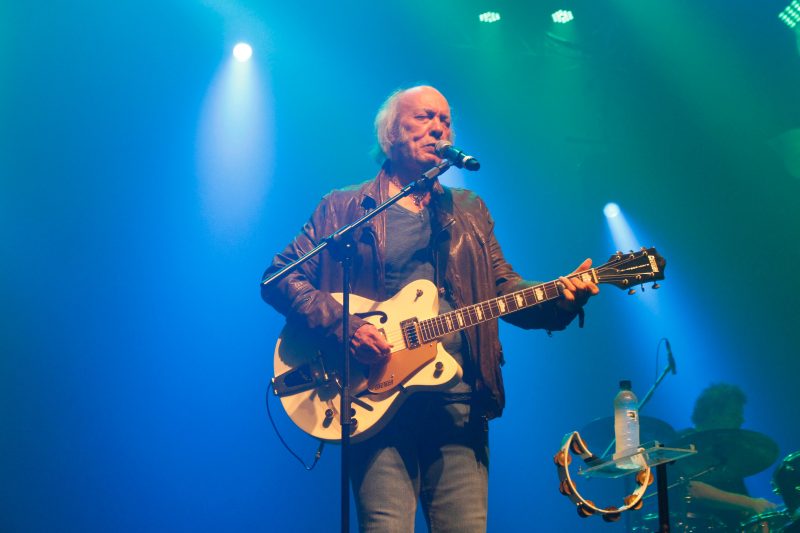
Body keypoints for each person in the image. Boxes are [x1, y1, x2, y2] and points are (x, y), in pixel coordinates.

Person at [261, 85, 598, 532]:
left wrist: (560, 296)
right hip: (372, 399)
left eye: (445, 118)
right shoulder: (345, 207)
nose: (439, 126)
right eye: (424, 117)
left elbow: (504, 290)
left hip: (458, 402)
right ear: (391, 137)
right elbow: (280, 277)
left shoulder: (470, 210)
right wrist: (346, 327)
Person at [677, 383, 779, 529]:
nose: (741, 420)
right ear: (713, 413)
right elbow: (690, 488)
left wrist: (758, 519)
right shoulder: (684, 443)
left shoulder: (727, 451)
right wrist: (751, 503)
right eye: (734, 414)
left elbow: (741, 505)